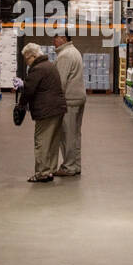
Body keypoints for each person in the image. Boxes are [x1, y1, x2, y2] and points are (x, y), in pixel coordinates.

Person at [17, 43, 67, 182]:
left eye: (27, 59)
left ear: (32, 56)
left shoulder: (37, 69)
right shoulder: (50, 65)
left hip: (46, 110)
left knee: (42, 141)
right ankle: (50, 170)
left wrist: (20, 105)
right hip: (58, 108)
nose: (27, 62)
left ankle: (42, 173)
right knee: (52, 141)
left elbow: (29, 90)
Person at [53, 32, 85, 177]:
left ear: (64, 39)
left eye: (56, 38)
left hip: (69, 100)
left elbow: (60, 81)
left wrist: (54, 102)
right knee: (75, 134)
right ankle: (75, 164)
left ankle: (69, 167)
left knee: (67, 135)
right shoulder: (75, 51)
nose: (54, 40)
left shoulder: (65, 55)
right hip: (78, 97)